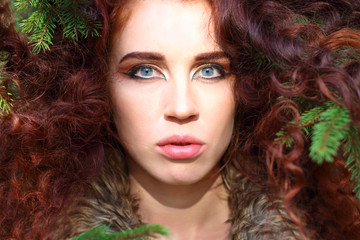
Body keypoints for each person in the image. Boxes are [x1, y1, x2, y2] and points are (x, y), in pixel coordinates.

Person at [0, 0, 359, 239]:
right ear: (97, 85)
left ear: (248, 82)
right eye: (143, 71)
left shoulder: (327, 223)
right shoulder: (30, 227)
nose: (182, 107)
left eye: (211, 70)